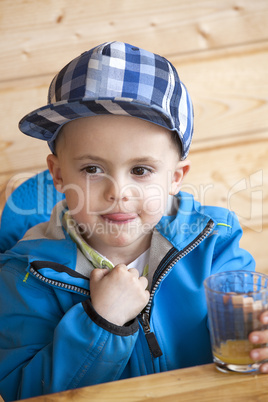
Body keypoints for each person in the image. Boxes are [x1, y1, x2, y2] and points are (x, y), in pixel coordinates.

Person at [0, 41, 267, 401]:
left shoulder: (214, 244)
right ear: (59, 174)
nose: (118, 192)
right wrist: (102, 322)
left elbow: (250, 332)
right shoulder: (27, 275)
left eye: (141, 170)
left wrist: (259, 335)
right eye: (92, 169)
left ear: (175, 177)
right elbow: (22, 390)